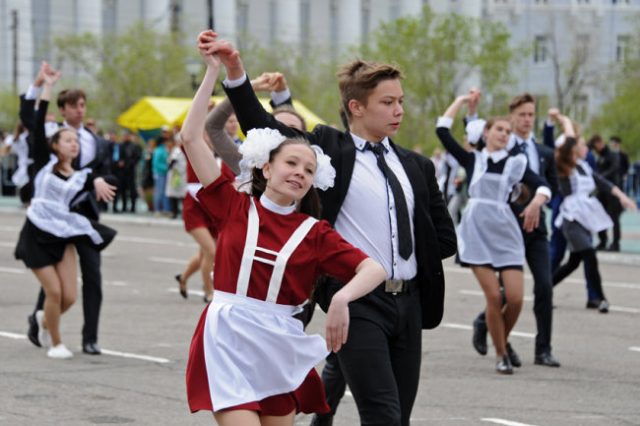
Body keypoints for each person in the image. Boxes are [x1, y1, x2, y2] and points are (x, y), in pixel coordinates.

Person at [200, 30, 456, 426]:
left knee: (399, 417)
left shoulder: (417, 166)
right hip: (357, 301)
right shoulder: (327, 150)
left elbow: (444, 238)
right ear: (356, 107)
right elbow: (260, 124)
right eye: (387, 102)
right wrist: (235, 71)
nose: (398, 111)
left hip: (409, 302)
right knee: (382, 415)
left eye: (401, 102)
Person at [182, 38, 387, 426]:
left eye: (308, 170)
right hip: (227, 337)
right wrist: (212, 72)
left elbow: (373, 269)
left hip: (279, 345)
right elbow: (192, 138)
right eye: (291, 163)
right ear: (266, 167)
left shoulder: (314, 232)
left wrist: (342, 299)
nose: (299, 173)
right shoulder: (233, 204)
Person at [436, 94, 550, 374]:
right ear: (486, 132)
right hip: (476, 232)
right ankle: (501, 354)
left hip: (506, 232)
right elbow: (442, 130)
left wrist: (536, 202)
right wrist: (461, 100)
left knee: (515, 299)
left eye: (508, 132)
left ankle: (500, 339)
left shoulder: (515, 163)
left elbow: (542, 185)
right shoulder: (472, 159)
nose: (504, 134)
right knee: (494, 298)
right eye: (499, 129)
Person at [15, 66, 116, 359]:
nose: (74, 143)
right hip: (38, 230)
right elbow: (35, 120)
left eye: (76, 141)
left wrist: (99, 181)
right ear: (56, 145)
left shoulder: (82, 172)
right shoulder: (44, 161)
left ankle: (52, 322)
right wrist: (44, 85)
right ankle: (56, 342)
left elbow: (99, 176)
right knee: (54, 292)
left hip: (73, 226)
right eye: (68, 141)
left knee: (71, 293)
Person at [472, 93, 561, 368]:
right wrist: (472, 110)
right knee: (503, 292)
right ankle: (501, 341)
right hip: (504, 227)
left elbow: (552, 186)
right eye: (521, 115)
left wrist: (537, 202)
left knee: (544, 285)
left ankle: (543, 349)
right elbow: (474, 136)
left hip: (536, 228)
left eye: (531, 115)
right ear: (511, 117)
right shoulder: (500, 144)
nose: (526, 120)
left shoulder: (544, 152)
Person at [552, 116, 636, 312]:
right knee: (589, 254)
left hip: (584, 216)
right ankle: (600, 298)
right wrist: (565, 122)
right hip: (571, 218)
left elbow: (603, 183)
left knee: (573, 262)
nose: (585, 147)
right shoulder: (563, 167)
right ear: (571, 148)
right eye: (581, 144)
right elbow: (568, 142)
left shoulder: (583, 166)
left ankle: (544, 288)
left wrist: (623, 197)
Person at [590, 135, 622, 251]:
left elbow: (614, 168)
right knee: (600, 215)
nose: (595, 149)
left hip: (612, 190)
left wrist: (600, 178)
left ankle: (616, 243)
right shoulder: (600, 157)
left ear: (600, 143)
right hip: (602, 191)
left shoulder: (612, 154)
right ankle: (602, 241)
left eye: (595, 146)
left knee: (614, 217)